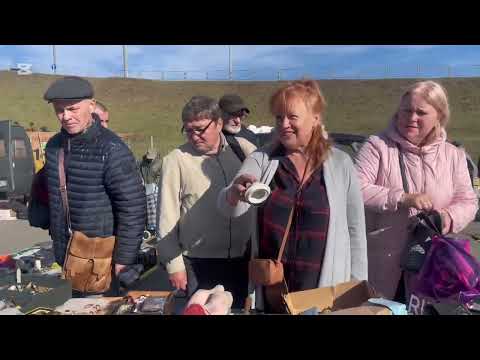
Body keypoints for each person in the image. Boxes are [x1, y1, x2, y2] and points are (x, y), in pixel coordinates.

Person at [218, 79, 368, 313]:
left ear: (315, 119)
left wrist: (356, 286)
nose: (283, 124)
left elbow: (355, 230)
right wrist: (235, 192)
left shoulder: (341, 164)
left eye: (292, 117)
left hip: (324, 285)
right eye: (279, 118)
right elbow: (227, 208)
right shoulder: (263, 159)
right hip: (275, 289)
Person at [354, 80, 479, 301]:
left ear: (439, 116)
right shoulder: (377, 146)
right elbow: (354, 188)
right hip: (382, 266)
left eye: (421, 112)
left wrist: (446, 218)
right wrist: (401, 198)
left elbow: (468, 201)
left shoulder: (453, 155)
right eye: (407, 110)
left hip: (435, 266)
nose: (412, 118)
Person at [37, 76, 146, 296]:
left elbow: (133, 208)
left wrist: (124, 259)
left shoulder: (112, 149)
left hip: (101, 261)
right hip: (66, 256)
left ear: (91, 106)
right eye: (59, 110)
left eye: (73, 109)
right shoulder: (53, 146)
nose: (66, 116)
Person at [156, 96, 256, 309]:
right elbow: (166, 217)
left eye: (200, 129)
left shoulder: (244, 150)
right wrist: (174, 265)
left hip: (243, 260)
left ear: (219, 123)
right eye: (188, 130)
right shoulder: (175, 160)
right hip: (199, 264)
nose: (194, 136)